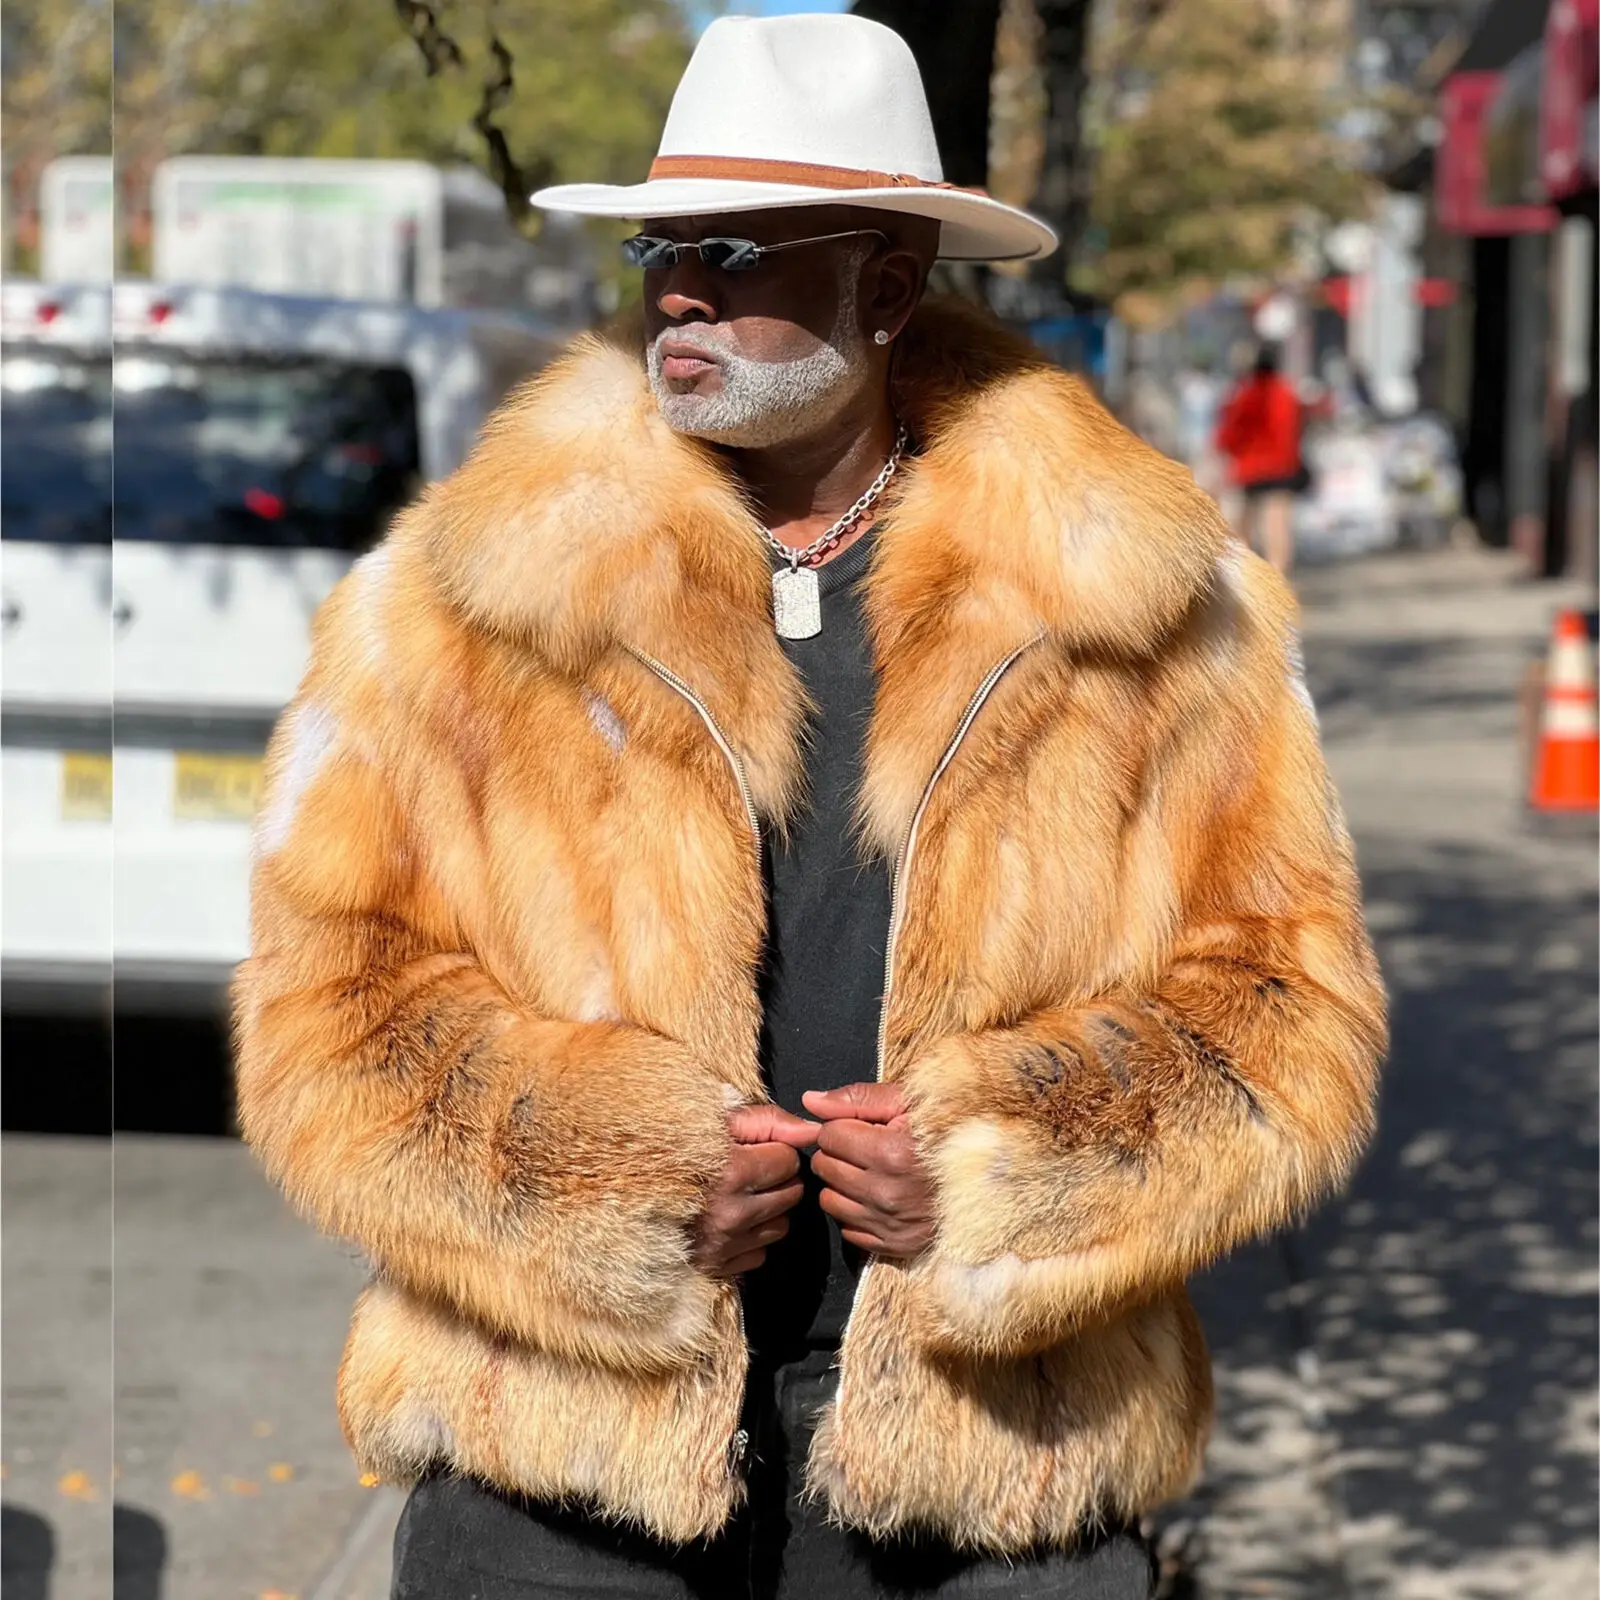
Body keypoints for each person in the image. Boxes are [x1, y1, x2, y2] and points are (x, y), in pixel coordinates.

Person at [232, 14, 1386, 1600]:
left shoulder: (1160, 618)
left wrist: (1000, 1175)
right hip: (560, 1468)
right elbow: (325, 1009)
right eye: (663, 242)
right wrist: (613, 1188)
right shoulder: (453, 604)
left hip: (1001, 1475)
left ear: (889, 287)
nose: (681, 288)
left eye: (740, 248)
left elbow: (1287, 1009)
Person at [1215, 344, 1306, 576]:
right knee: (1277, 524)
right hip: (1282, 466)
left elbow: (1229, 433)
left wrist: (1226, 451)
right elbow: (1296, 428)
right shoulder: (1287, 393)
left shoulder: (1245, 394)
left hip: (1251, 467)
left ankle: (1247, 576)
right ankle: (1279, 575)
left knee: (1243, 524)